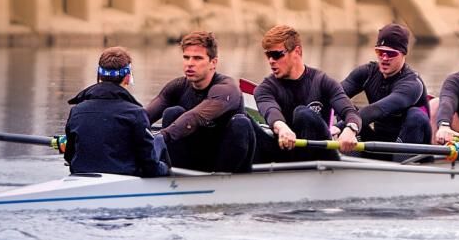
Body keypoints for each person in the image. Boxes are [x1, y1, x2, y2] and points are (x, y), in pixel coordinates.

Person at [144, 31, 256, 173]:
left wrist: (163, 136)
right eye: (186, 57)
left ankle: (225, 183)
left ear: (213, 63)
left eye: (197, 58)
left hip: (228, 163)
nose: (190, 64)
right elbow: (143, 118)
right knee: (172, 113)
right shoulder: (177, 86)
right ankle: (176, 177)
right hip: (194, 161)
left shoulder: (227, 89)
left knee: (241, 123)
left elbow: (195, 117)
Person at [253, 24, 361, 162]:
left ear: (297, 51)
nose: (271, 61)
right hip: (285, 152)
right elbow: (270, 110)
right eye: (268, 55)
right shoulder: (264, 89)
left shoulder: (322, 81)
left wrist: (350, 129)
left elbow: (351, 112)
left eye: (276, 55)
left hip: (321, 156)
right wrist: (282, 128)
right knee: (241, 120)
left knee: (302, 114)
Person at [64, 46, 170, 176]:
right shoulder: (136, 113)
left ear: (99, 76)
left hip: (81, 175)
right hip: (123, 180)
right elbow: (150, 167)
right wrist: (166, 168)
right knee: (159, 140)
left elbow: (69, 157)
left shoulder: (76, 111)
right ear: (127, 77)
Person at [340, 23, 432, 151]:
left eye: (390, 54)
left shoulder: (412, 84)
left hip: (410, 144)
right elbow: (334, 95)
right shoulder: (366, 73)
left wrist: (347, 127)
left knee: (416, 115)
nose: (384, 58)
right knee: (344, 106)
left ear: (403, 54)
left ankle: (400, 164)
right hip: (379, 142)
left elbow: (378, 109)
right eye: (380, 52)